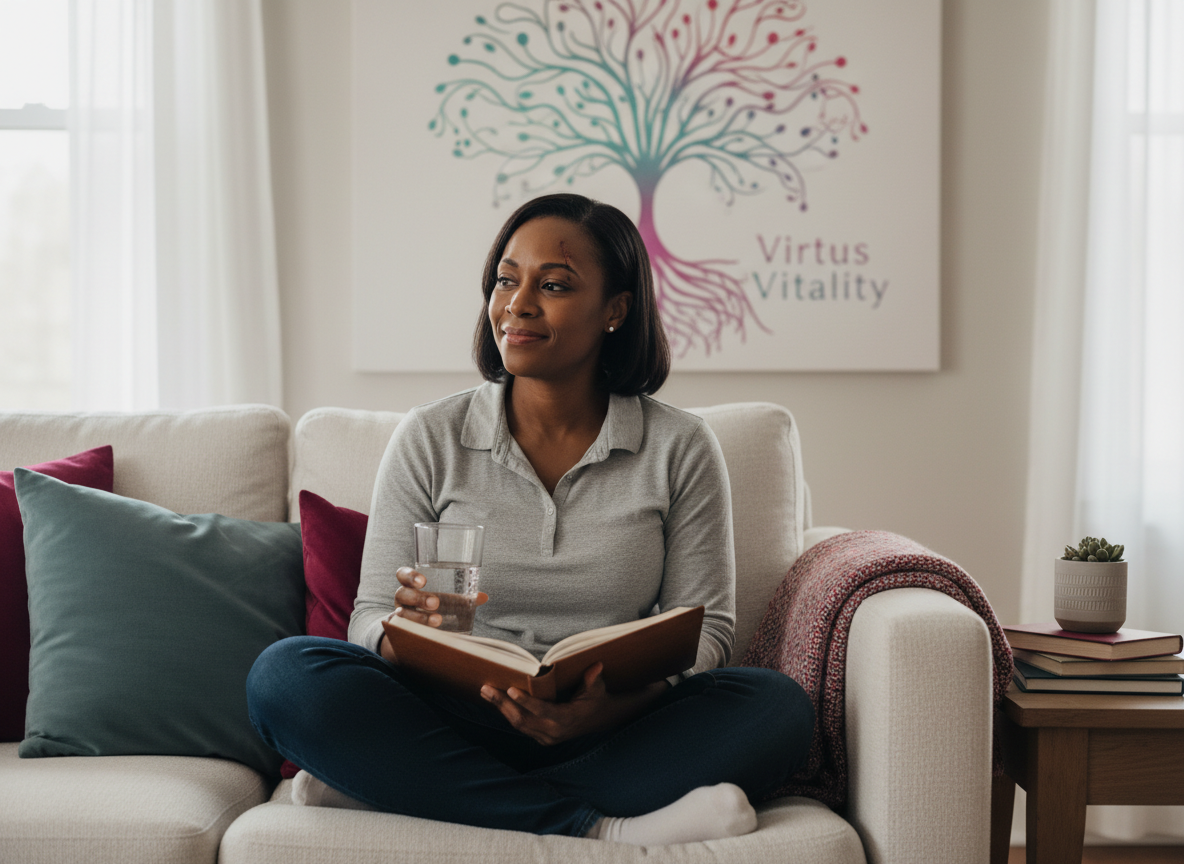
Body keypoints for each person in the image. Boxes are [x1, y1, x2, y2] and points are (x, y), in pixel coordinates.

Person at [246, 193, 814, 845]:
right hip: (451, 717)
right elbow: (369, 616)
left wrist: (609, 707)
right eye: (506, 280)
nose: (517, 303)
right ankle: (599, 828)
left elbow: (707, 631)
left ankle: (406, 792)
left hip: (612, 728)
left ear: (616, 309)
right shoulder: (431, 435)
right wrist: (407, 632)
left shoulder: (680, 446)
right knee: (285, 674)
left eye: (553, 285)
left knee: (776, 709)